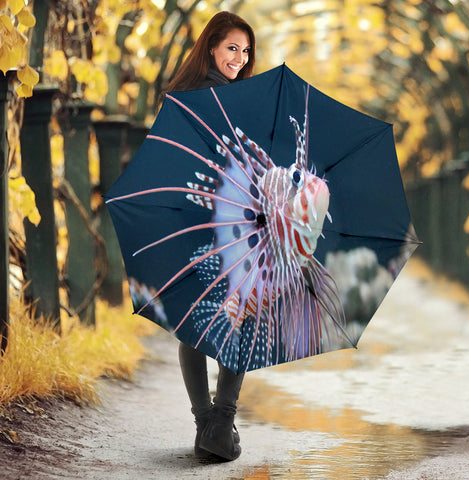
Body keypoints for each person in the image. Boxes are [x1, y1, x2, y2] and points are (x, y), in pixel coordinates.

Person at [164, 11, 256, 462]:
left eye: (244, 50)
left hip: (192, 221)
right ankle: (220, 421)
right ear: (212, 48)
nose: (239, 57)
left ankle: (208, 424)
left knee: (197, 320)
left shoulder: (183, 96)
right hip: (226, 224)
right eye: (231, 48)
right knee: (241, 315)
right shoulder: (222, 100)